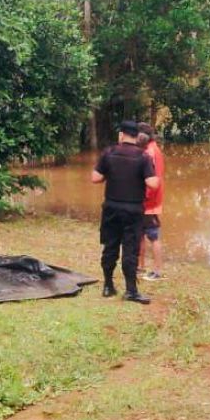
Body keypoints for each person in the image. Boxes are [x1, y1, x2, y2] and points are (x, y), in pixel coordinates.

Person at [91, 120, 160, 305]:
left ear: (121, 135)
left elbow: (95, 178)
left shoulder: (109, 153)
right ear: (137, 136)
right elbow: (153, 183)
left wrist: (109, 174)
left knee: (110, 246)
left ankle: (107, 286)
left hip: (111, 208)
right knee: (130, 250)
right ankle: (131, 291)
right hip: (133, 210)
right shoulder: (143, 157)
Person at [136, 122, 166, 281]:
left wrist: (144, 198)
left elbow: (153, 181)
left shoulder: (150, 153)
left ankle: (157, 271)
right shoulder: (152, 149)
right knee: (139, 234)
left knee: (153, 236)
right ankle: (140, 266)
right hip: (146, 201)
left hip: (149, 203)